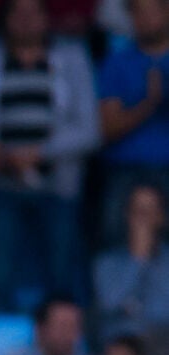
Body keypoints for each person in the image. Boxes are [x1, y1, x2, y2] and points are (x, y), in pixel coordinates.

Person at [0, 0, 99, 311]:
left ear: (46, 18)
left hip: (58, 185)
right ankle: (0, 352)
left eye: (34, 12)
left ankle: (63, 347)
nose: (26, 20)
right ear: (5, 19)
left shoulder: (72, 58)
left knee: (62, 276)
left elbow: (90, 129)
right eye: (18, 12)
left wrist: (40, 153)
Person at [96, 0, 169, 242]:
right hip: (125, 172)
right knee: (116, 250)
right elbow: (106, 128)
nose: (145, 18)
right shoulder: (117, 63)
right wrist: (148, 104)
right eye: (138, 11)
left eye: (152, 10)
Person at [93, 183, 169, 339]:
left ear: (161, 217)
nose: (143, 219)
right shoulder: (106, 262)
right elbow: (109, 303)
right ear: (127, 216)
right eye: (138, 211)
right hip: (123, 345)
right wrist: (138, 260)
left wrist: (129, 310)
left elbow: (165, 311)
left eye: (149, 212)